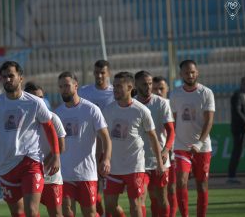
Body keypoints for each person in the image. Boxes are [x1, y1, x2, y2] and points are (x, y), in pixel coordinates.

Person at [0, 61, 60, 217]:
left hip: (31, 162)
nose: (7, 80)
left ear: (20, 78)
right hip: (6, 165)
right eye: (4, 77)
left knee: (31, 210)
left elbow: (49, 128)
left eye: (11, 76)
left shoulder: (35, 102)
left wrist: (56, 155)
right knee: (17, 212)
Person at [102, 72, 165, 217]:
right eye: (114, 86)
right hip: (114, 166)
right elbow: (103, 137)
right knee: (110, 205)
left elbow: (153, 137)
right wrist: (102, 158)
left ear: (130, 87)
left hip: (134, 166)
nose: (115, 89)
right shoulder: (108, 110)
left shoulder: (141, 110)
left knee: (135, 205)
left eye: (119, 86)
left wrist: (160, 163)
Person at [55, 71, 112, 217]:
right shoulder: (57, 113)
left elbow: (106, 138)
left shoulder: (91, 109)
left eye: (67, 85)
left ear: (76, 85)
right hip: (65, 174)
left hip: (86, 173)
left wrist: (106, 159)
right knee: (67, 211)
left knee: (90, 213)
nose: (64, 89)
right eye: (61, 86)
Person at [78, 60, 124, 216]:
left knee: (110, 194)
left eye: (102, 72)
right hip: (88, 147)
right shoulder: (84, 92)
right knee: (93, 188)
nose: (99, 75)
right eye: (96, 72)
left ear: (108, 73)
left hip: (111, 148)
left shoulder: (114, 93)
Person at [170, 60, 215, 217]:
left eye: (192, 72)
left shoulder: (206, 93)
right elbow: (173, 121)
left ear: (197, 72)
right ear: (181, 74)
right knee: (181, 181)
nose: (190, 75)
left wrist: (199, 142)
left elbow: (209, 121)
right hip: (181, 146)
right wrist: (170, 143)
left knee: (201, 185)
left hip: (202, 147)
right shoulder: (175, 94)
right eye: (186, 73)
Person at [135, 71, 175, 217]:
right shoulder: (132, 104)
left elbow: (171, 132)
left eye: (150, 83)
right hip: (139, 161)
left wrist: (165, 151)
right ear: (136, 85)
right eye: (144, 84)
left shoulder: (161, 103)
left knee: (160, 198)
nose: (148, 87)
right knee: (140, 199)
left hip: (159, 160)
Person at [24, 82, 66, 217]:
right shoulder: (22, 121)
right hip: (30, 174)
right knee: (32, 211)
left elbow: (61, 146)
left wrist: (48, 161)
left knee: (56, 213)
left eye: (41, 97)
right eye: (35, 98)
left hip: (50, 175)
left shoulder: (53, 118)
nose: (39, 101)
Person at [153, 76, 178, 217]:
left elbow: (175, 130)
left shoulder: (171, 105)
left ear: (167, 89)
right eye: (155, 88)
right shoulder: (153, 104)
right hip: (158, 155)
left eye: (161, 88)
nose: (158, 91)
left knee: (172, 189)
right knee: (155, 194)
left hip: (172, 153)